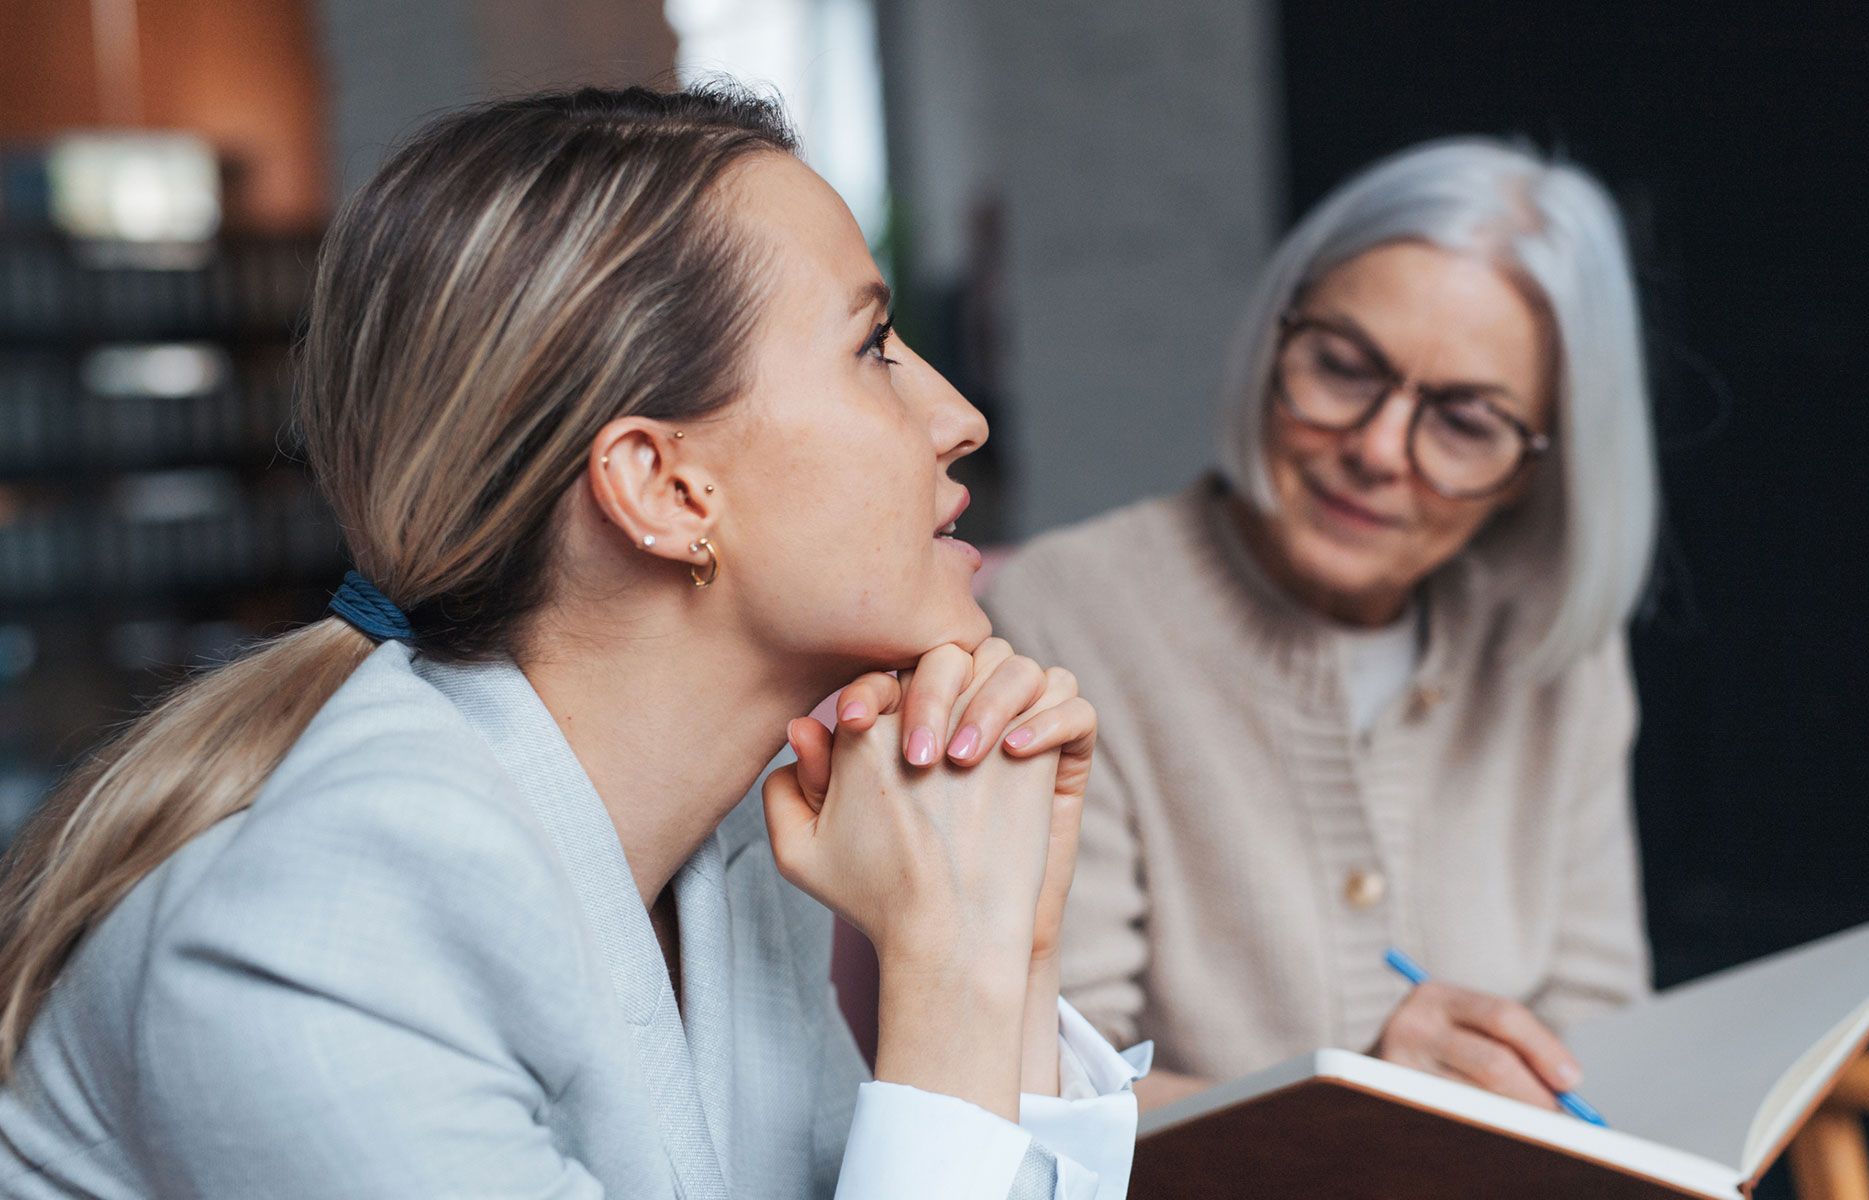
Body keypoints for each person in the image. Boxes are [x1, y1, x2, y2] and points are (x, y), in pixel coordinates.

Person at [0, 86, 1144, 1199]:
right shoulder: (334, 929)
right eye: (873, 346)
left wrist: (1005, 936)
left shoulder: (736, 848)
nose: (960, 418)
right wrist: (948, 974)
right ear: (663, 486)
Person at [984, 137, 1659, 1112]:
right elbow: (1043, 1084)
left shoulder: (1563, 652)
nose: (1379, 450)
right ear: (1272, 340)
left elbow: (1601, 1034)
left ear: (1538, 470)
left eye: (1466, 423)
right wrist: (1354, 1126)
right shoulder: (1066, 614)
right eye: (1344, 368)